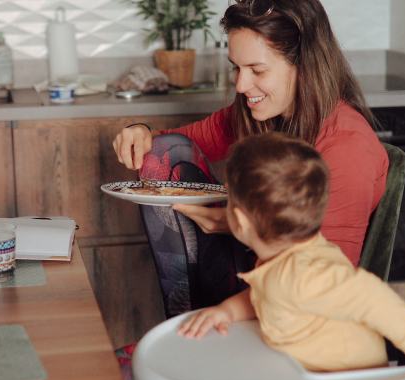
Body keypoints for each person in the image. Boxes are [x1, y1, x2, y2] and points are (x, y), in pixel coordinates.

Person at [113, 0, 388, 266]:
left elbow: (321, 280)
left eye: (257, 70)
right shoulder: (259, 115)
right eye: (237, 68)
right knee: (161, 151)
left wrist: (237, 225)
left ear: (305, 65)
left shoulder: (348, 147)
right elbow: (174, 144)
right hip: (251, 277)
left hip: (295, 300)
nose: (242, 85)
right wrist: (141, 132)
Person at [178, 133, 405, 380]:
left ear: (239, 221)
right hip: (299, 371)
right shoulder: (284, 259)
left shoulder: (308, 272)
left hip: (347, 378)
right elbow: (263, 294)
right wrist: (227, 311)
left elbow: (373, 296)